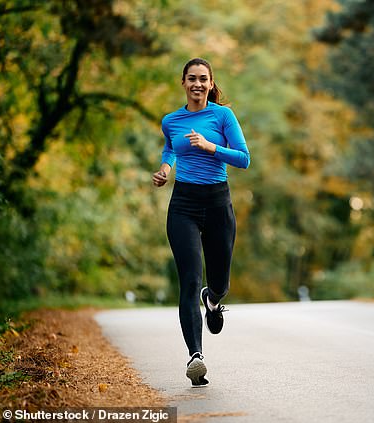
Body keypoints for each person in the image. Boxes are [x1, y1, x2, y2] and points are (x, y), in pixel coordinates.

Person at [152, 58, 250, 387]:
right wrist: (166, 168)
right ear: (183, 82)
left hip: (218, 204)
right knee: (190, 280)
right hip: (184, 206)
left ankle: (215, 298)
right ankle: (196, 357)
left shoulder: (223, 116)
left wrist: (211, 147)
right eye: (191, 78)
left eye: (203, 79)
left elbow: (244, 158)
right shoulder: (171, 120)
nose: (197, 83)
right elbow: (171, 147)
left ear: (210, 83)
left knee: (218, 281)